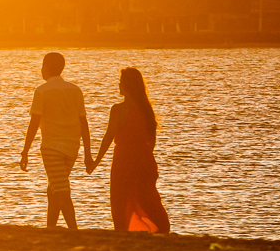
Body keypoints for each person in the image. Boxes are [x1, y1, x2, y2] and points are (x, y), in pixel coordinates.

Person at [91, 67, 171, 233]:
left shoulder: (118, 109)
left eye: (121, 82)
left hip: (124, 160)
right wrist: (144, 156)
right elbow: (152, 141)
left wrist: (95, 162)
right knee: (148, 199)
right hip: (144, 160)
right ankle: (161, 229)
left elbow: (108, 138)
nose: (119, 85)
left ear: (127, 84)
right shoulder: (147, 110)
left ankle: (123, 230)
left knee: (120, 200)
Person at [20, 52, 94, 229]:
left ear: (45, 68)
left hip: (51, 147)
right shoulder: (75, 90)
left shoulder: (41, 91)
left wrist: (25, 151)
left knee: (61, 190)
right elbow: (84, 123)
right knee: (54, 188)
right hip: (72, 148)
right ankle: (50, 228)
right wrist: (87, 154)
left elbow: (34, 123)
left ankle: (73, 230)